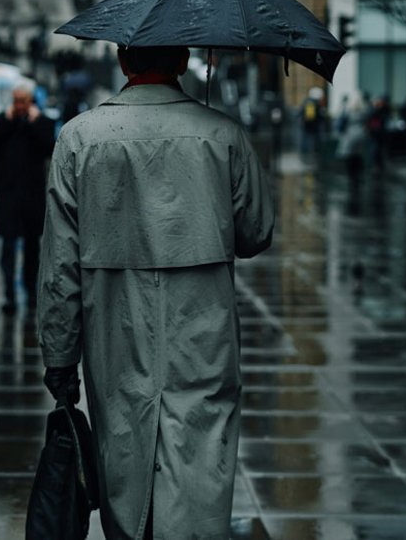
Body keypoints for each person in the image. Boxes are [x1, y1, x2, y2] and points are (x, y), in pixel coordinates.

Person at [37, 45, 275, 540]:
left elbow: (60, 269)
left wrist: (60, 357)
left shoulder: (79, 139)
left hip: (117, 337)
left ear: (124, 62)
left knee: (125, 453)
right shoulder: (223, 134)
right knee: (200, 463)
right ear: (183, 60)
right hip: (204, 338)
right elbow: (255, 232)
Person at [0, 80, 56, 316]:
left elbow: (48, 147)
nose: (19, 106)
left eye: (23, 101)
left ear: (31, 101)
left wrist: (34, 123)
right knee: (8, 247)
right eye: (16, 101)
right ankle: (9, 294)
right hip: (7, 194)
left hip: (31, 195)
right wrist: (7, 119)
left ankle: (31, 292)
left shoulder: (42, 122)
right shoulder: (3, 121)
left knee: (32, 247)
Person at [300, 86, 325, 162]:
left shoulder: (311, 102)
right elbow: (309, 117)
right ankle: (308, 159)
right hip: (311, 129)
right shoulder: (311, 103)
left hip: (310, 128)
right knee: (310, 144)